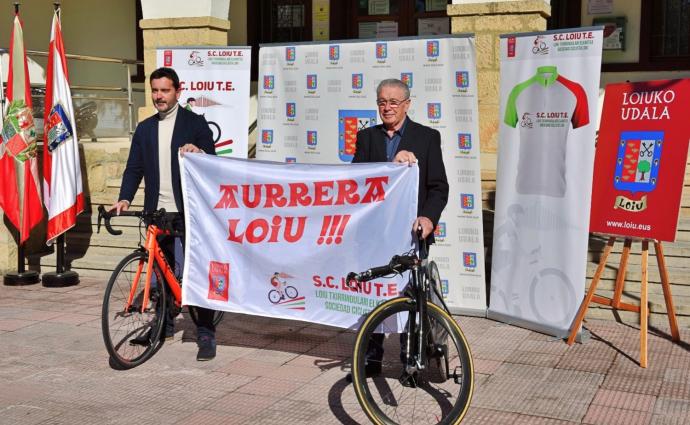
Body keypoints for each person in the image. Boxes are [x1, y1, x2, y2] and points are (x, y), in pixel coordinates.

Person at [110, 67, 218, 361]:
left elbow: (213, 162)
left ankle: (206, 330)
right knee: (160, 272)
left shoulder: (194, 123)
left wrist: (199, 151)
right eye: (155, 90)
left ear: (177, 91)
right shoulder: (145, 128)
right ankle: (163, 325)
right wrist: (124, 198)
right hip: (157, 213)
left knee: (196, 272)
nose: (159, 96)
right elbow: (134, 168)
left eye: (165, 90)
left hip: (189, 212)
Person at [351, 78, 449, 377]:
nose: (387, 108)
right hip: (374, 234)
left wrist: (428, 219)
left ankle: (411, 361)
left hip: (411, 233)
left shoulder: (427, 137)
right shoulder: (367, 138)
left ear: (407, 104)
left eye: (394, 102)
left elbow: (438, 187)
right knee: (373, 295)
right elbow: (355, 182)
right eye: (382, 102)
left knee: (411, 298)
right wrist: (390, 167)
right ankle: (372, 359)